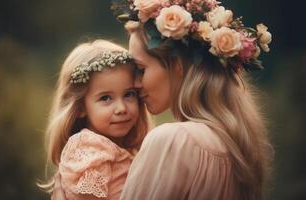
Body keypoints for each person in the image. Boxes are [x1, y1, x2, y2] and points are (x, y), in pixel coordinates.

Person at [111, 0, 274, 199]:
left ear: (177, 65)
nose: (135, 83)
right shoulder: (237, 146)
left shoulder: (173, 141)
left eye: (141, 69)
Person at [39, 39, 151, 200]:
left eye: (129, 94)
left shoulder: (117, 148)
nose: (121, 108)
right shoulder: (89, 148)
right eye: (106, 98)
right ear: (80, 108)